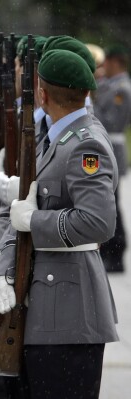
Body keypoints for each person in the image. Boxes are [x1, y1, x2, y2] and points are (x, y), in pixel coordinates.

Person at [0, 49, 119, 399]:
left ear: (43, 94)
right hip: (44, 308)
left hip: (70, 312)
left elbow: (97, 222)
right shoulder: (52, 138)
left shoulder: (85, 144)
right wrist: (3, 269)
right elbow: (16, 213)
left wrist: (35, 220)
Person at [94, 43, 131, 273]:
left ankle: (116, 253)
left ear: (115, 62)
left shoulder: (123, 89)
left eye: (106, 62)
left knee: (113, 204)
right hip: (107, 148)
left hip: (114, 149)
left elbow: (112, 123)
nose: (103, 67)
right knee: (108, 201)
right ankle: (111, 251)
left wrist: (92, 100)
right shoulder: (111, 85)